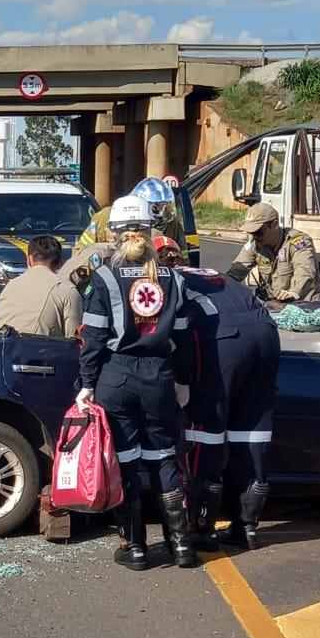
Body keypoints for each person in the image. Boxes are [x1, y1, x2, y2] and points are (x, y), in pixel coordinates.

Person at [77, 194, 193, 571]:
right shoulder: (172, 277)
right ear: (149, 231)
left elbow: (93, 339)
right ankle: (181, 546)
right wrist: (183, 381)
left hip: (118, 375)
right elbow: (183, 337)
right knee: (163, 457)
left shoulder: (106, 277)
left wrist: (86, 384)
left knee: (126, 460)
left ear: (116, 233)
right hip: (159, 375)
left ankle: (136, 547)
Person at [177, 265, 280, 550]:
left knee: (204, 430)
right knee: (253, 431)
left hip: (222, 336)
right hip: (265, 332)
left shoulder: (166, 279)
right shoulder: (206, 271)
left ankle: (202, 528)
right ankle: (246, 528)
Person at [227, 202, 320, 303]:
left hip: (305, 307)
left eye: (258, 232)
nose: (255, 237)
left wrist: (294, 292)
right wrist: (220, 285)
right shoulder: (255, 245)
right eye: (251, 233)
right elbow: (237, 271)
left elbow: (305, 269)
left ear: (274, 224)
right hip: (276, 307)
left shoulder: (297, 242)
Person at [0, 234, 83, 338]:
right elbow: (74, 341)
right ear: (60, 263)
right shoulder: (68, 291)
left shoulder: (11, 285)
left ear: (29, 260)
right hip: (41, 351)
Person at [77, 177, 184, 248]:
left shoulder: (172, 224)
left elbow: (183, 259)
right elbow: (81, 252)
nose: (161, 214)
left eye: (165, 208)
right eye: (156, 208)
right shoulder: (104, 217)